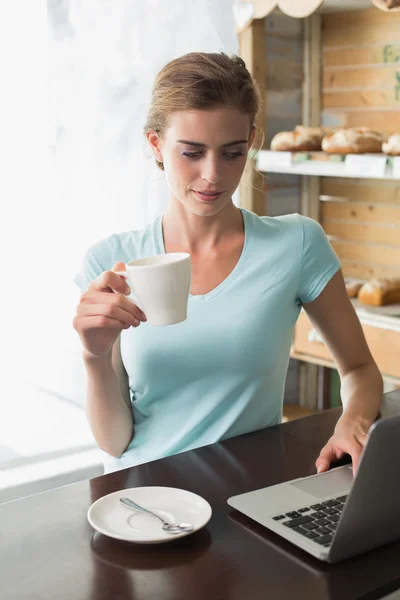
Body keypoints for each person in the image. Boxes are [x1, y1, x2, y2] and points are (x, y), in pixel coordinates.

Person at [73, 52, 383, 475]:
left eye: (232, 153)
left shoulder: (296, 244)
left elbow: (360, 369)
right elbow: (114, 441)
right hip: (141, 503)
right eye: (192, 153)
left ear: (252, 141)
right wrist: (93, 358)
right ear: (155, 144)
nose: (213, 175)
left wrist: (354, 422)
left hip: (252, 502)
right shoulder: (111, 262)